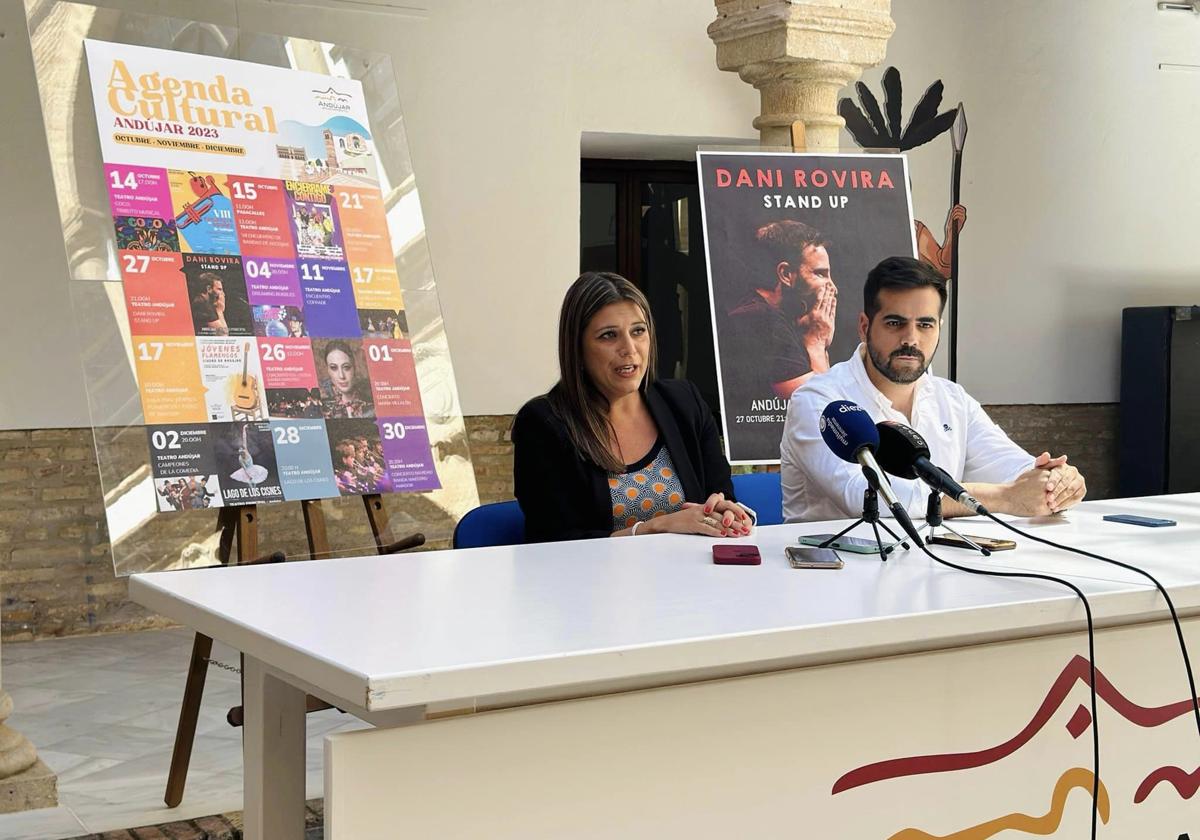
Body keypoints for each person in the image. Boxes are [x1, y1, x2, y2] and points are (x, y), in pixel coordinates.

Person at [780, 256, 1086, 522]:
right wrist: (1005, 498)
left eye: (925, 325)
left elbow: (1012, 467)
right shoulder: (819, 401)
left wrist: (1054, 482)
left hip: (935, 570)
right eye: (895, 323)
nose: (911, 339)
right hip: (832, 578)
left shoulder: (952, 399)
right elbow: (870, 494)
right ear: (864, 326)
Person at [513, 271, 754, 543]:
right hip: (590, 582)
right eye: (608, 336)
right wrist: (654, 527)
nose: (629, 348)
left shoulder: (684, 402)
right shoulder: (543, 423)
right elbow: (555, 541)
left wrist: (726, 512)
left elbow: (722, 495)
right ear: (577, 348)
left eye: (638, 331)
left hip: (690, 577)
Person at [722, 220, 838, 407]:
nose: (833, 287)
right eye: (820, 274)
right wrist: (817, 343)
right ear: (785, 274)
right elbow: (824, 409)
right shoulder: (761, 321)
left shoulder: (770, 316)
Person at [320, 340, 375, 418]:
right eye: (333, 368)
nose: (341, 376)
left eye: (346, 367)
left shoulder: (372, 406)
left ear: (354, 368)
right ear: (328, 371)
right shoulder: (324, 408)